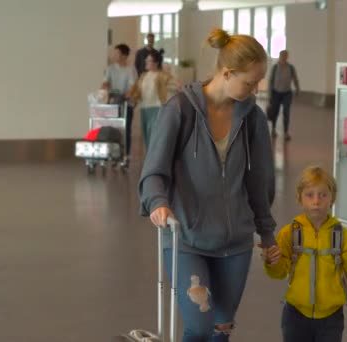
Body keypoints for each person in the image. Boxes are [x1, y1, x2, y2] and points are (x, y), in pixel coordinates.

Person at [138, 27, 276, 342]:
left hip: (236, 243)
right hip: (187, 237)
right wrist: (158, 201)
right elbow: (153, 170)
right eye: (250, 82)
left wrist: (267, 233)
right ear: (227, 73)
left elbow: (258, 180)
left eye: (258, 82)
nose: (255, 89)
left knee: (221, 329)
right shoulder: (180, 110)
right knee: (199, 326)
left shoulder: (252, 117)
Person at [262, 166, 347, 342]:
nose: (316, 201)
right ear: (299, 198)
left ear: (332, 198)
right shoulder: (289, 233)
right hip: (295, 315)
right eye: (309, 195)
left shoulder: (342, 236)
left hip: (331, 318)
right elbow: (279, 273)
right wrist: (271, 261)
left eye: (323, 195)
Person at [129, 50, 176, 150]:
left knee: (153, 137)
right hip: (144, 109)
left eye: (149, 60)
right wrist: (132, 97)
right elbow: (137, 90)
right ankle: (151, 160)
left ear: (156, 63)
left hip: (157, 108)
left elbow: (176, 84)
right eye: (146, 60)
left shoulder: (162, 75)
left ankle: (155, 161)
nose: (146, 62)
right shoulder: (143, 76)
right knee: (146, 136)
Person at [102, 43, 137, 163]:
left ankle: (125, 154)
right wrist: (105, 89)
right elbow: (105, 82)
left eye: (117, 53)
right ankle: (114, 152)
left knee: (126, 129)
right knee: (113, 128)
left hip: (126, 101)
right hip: (114, 100)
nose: (114, 55)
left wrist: (127, 94)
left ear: (124, 55)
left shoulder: (130, 69)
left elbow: (133, 86)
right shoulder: (110, 68)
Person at [268, 50, 300, 141]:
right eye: (282, 55)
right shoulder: (275, 67)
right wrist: (270, 94)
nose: (284, 57)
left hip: (287, 93)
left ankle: (286, 132)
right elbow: (271, 81)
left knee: (286, 112)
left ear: (287, 57)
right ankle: (273, 129)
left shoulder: (291, 68)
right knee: (275, 111)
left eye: (285, 56)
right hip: (276, 93)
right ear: (279, 56)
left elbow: (295, 78)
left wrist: (297, 89)